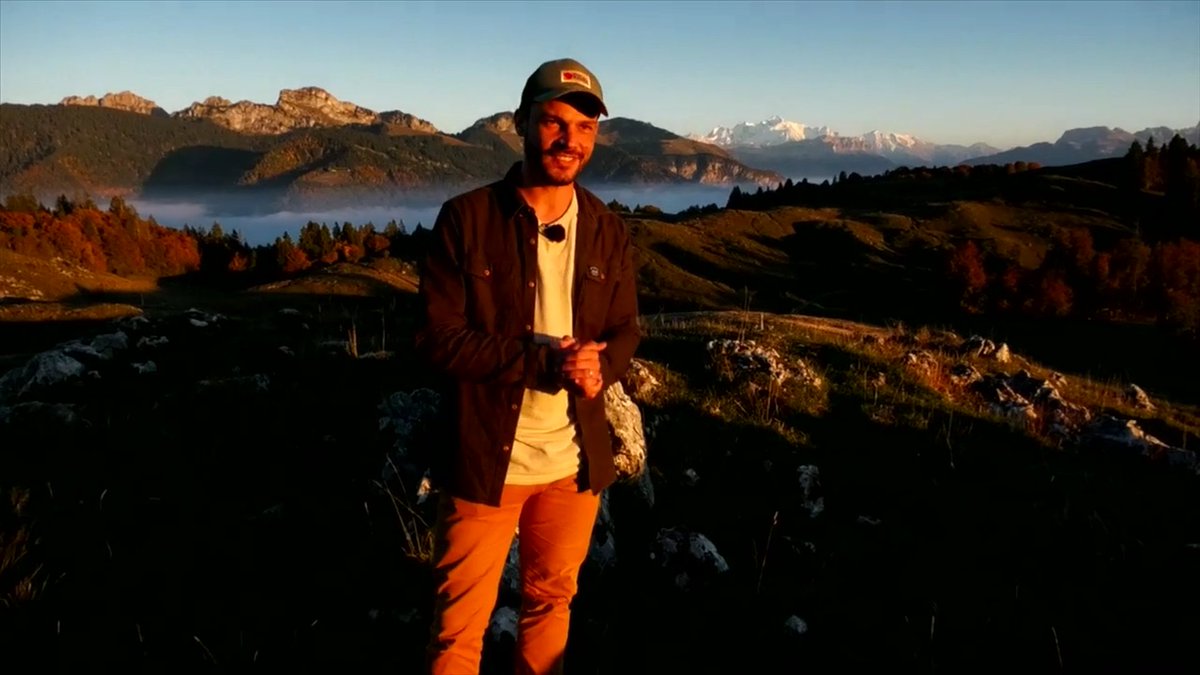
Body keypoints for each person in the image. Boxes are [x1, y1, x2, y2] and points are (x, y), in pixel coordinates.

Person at [414, 57, 641, 675]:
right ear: (520, 123)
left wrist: (603, 367)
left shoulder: (607, 229)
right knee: (459, 630)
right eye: (554, 122)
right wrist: (535, 360)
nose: (571, 140)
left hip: (573, 464)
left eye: (586, 129)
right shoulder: (466, 219)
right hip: (488, 460)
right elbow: (437, 339)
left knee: (551, 605)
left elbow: (625, 330)